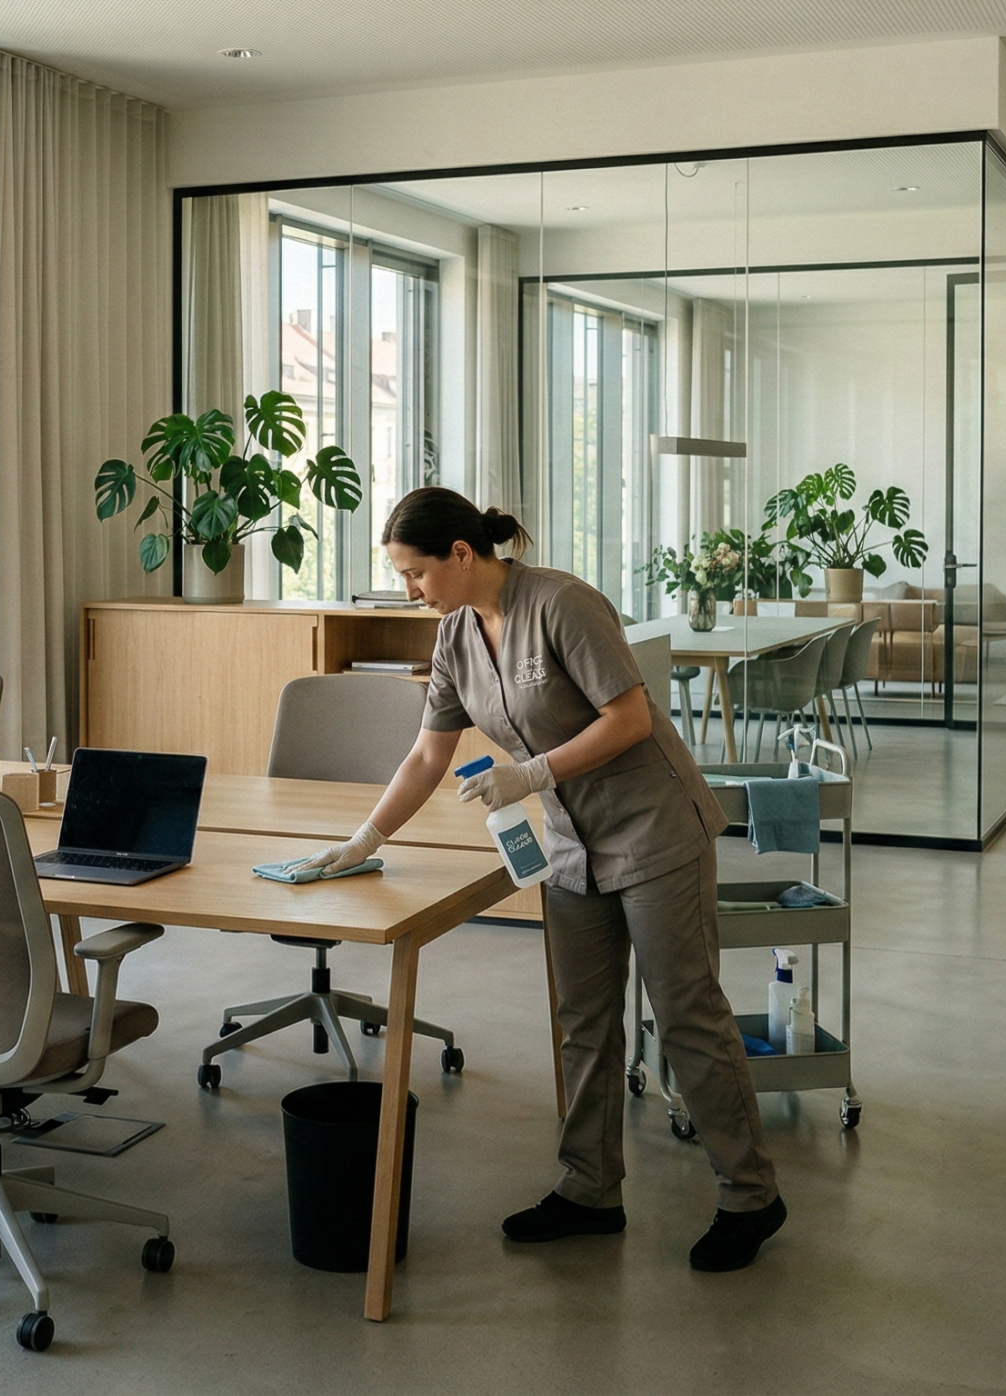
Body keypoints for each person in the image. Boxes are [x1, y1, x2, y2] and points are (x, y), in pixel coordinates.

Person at [295, 487, 786, 1272]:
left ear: (462, 554)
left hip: (655, 831)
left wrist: (530, 775)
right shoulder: (457, 637)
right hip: (571, 846)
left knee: (687, 1013)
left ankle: (750, 1194)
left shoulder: (563, 604)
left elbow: (628, 718)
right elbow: (428, 755)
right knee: (581, 1022)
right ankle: (590, 1189)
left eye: (415, 574)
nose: (409, 592)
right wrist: (366, 836)